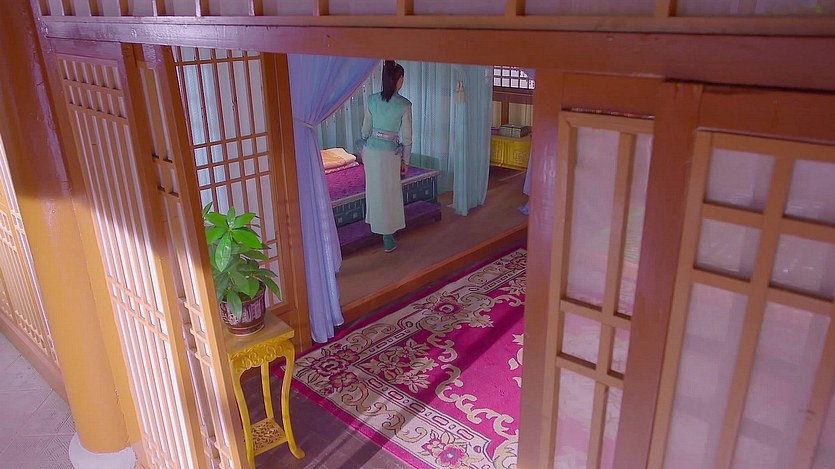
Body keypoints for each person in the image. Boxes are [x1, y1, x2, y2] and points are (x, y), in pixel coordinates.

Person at [360, 60, 413, 253]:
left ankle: (378, 227)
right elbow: (407, 138)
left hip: (371, 152)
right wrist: (406, 160)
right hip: (390, 153)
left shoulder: (372, 100)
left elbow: (365, 130)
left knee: (375, 191)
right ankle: (388, 237)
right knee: (390, 193)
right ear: (399, 79)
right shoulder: (404, 104)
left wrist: (366, 146)